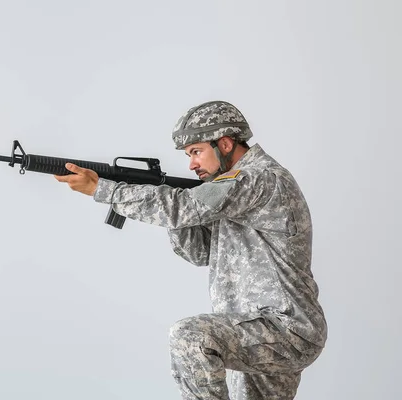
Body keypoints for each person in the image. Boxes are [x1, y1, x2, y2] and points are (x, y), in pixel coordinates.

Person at [54, 100, 327, 399]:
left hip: (284, 329)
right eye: (188, 155)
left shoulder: (258, 178)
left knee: (192, 336)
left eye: (196, 152)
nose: (191, 164)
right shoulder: (232, 187)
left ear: (224, 143)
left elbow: (183, 207)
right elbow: (198, 252)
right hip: (253, 330)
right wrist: (171, 206)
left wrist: (103, 189)